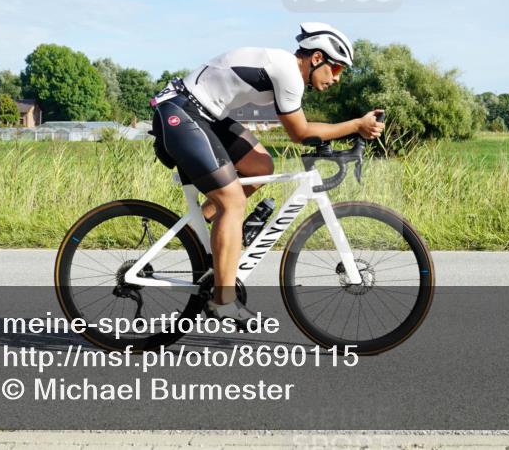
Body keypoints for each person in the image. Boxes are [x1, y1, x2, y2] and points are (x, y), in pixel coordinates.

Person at [150, 23, 385, 326]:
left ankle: (207, 231)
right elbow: (300, 133)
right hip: (180, 110)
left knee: (260, 166)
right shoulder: (288, 72)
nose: (337, 79)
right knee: (233, 202)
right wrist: (355, 126)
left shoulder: (287, 70)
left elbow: (303, 130)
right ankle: (223, 301)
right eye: (336, 68)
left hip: (206, 114)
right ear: (316, 59)